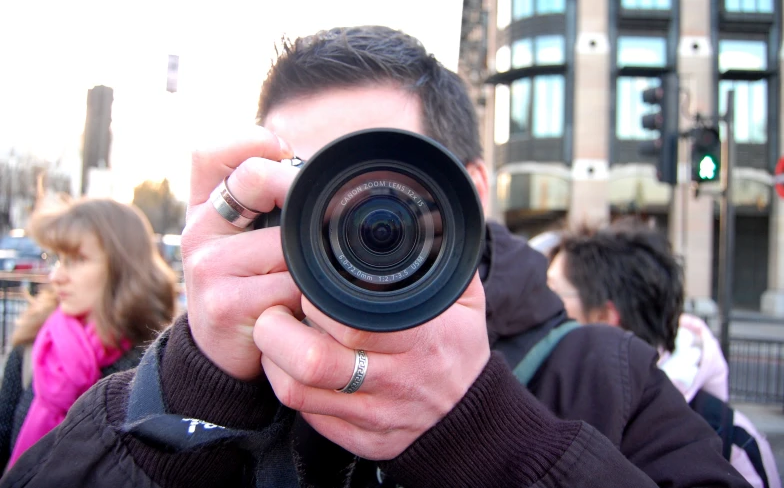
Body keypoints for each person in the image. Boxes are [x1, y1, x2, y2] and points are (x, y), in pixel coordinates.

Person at [1, 26, 751, 487]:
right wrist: (191, 391)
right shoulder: (217, 374)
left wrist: (490, 435)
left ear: (470, 191)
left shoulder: (606, 379)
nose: (352, 221)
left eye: (382, 183)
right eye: (307, 188)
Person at [547, 221, 780, 488]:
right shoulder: (545, 400)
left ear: (605, 318)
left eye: (551, 292)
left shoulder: (735, 441)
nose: (539, 306)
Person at [0, 198, 177, 472]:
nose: (56, 276)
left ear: (123, 268)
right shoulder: (33, 348)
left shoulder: (155, 370)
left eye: (77, 260)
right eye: (58, 259)